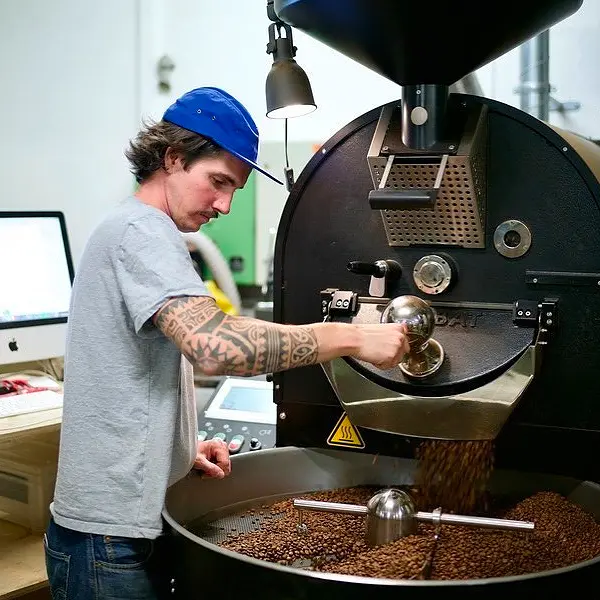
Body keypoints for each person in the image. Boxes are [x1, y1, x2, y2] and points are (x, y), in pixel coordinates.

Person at [44, 86, 410, 599]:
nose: (224, 205)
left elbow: (132, 377)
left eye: (234, 189)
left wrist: (175, 452)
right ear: (172, 158)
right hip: (107, 540)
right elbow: (216, 347)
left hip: (124, 524)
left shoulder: (140, 231)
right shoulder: (141, 232)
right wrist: (351, 337)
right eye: (217, 182)